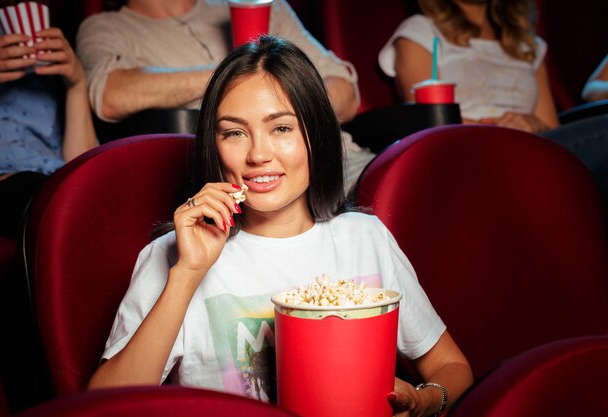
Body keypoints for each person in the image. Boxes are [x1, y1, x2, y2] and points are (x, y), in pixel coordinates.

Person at [86, 36, 473, 416]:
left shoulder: (364, 238)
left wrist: (424, 403)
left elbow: (452, 368)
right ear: (214, 145)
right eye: (234, 132)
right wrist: (188, 273)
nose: (258, 154)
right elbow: (103, 408)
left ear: (316, 136)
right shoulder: (173, 256)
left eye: (282, 128)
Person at [76, 0, 374, 194]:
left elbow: (345, 95)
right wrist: (242, 73)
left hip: (339, 161)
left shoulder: (262, 5)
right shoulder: (105, 28)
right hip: (246, 186)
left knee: (405, 183)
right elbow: (110, 95)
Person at [0, 0, 98, 238]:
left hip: (53, 181)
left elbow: (81, 162)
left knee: (96, 196)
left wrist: (76, 83)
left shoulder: (28, 15)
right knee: (55, 205)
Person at [378, 0, 560, 134]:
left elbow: (553, 130)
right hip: (465, 150)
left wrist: (533, 125)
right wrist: (499, 130)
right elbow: (429, 123)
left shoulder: (527, 45)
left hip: (532, 150)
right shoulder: (421, 32)